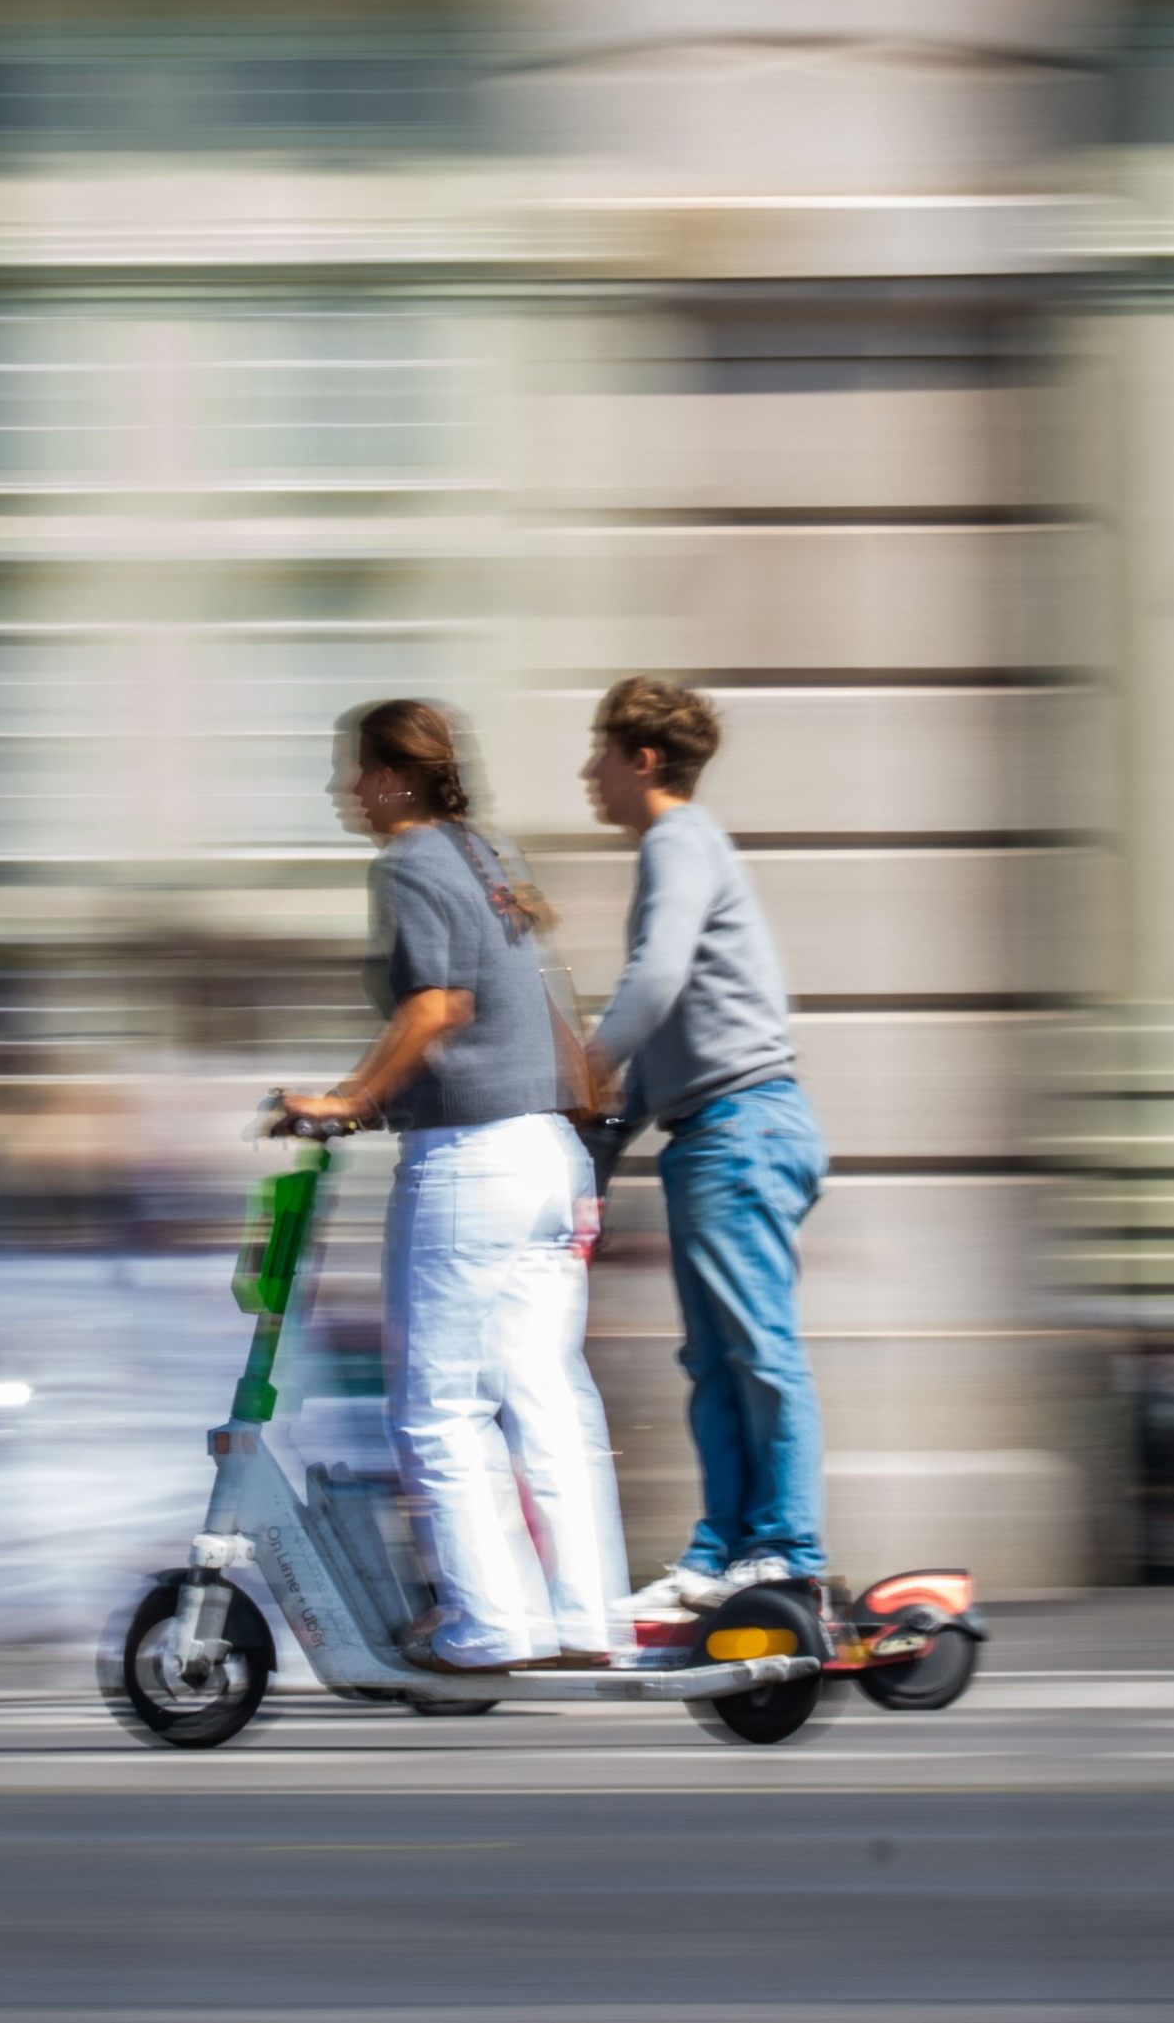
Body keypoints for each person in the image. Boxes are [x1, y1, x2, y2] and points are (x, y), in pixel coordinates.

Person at [275, 699, 629, 1671]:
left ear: (395, 774)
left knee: (436, 1403)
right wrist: (576, 1124)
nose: (343, 790)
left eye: (354, 770)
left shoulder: (406, 862)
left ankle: (492, 1622)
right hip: (545, 1154)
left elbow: (439, 1002)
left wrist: (348, 1098)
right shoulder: (487, 853)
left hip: (471, 1159)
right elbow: (548, 1002)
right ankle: (588, 1616)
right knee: (546, 1394)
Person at [577, 675, 831, 1622]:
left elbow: (655, 980)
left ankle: (788, 1549)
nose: (587, 772)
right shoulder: (681, 848)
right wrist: (600, 1138)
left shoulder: (679, 840)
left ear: (642, 759)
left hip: (742, 1127)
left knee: (758, 1351)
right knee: (715, 1360)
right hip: (716, 1131)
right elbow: (669, 1025)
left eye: (598, 751)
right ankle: (725, 1549)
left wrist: (588, 1062)